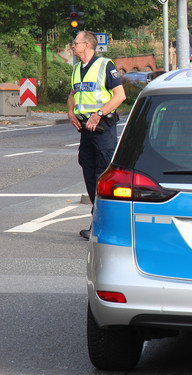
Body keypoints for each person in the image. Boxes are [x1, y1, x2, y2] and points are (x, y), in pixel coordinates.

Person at [67, 31, 126, 239]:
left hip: (103, 130)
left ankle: (107, 226)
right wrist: (70, 112)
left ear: (87, 45)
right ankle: (98, 222)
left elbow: (120, 95)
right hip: (85, 130)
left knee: (103, 176)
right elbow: (74, 94)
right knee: (89, 173)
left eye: (75, 44)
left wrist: (99, 114)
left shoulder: (105, 65)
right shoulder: (76, 69)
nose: (72, 47)